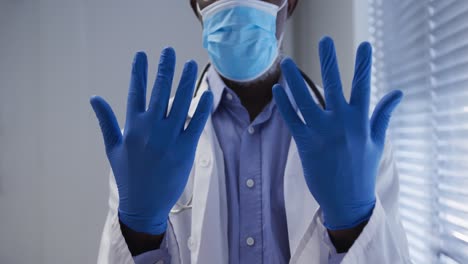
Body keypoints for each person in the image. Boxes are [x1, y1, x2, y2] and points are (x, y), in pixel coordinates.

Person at [91, 0, 411, 263]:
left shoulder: (357, 142)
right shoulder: (144, 146)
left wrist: (353, 225)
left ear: (292, 4)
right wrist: (140, 232)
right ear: (196, 5)